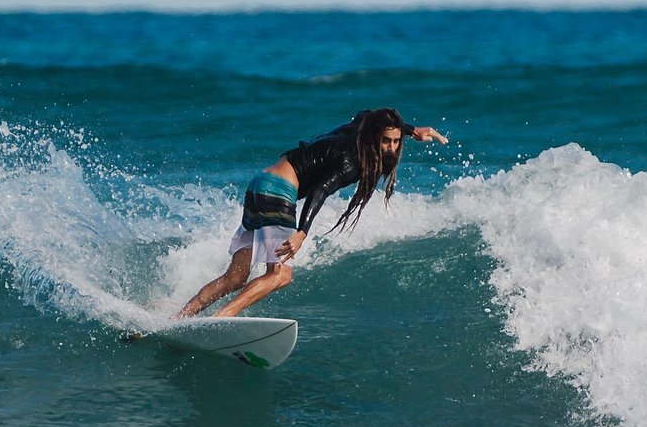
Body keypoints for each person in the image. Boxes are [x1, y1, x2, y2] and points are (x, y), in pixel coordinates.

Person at [178, 108, 448, 319]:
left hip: (259, 184)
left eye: (396, 141)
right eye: (386, 141)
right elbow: (320, 191)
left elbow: (367, 114)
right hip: (278, 191)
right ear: (374, 138)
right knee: (280, 275)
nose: (391, 148)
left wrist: (411, 130)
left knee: (235, 277)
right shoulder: (351, 162)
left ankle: (179, 318)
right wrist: (301, 233)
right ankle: (224, 317)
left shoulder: (359, 128)